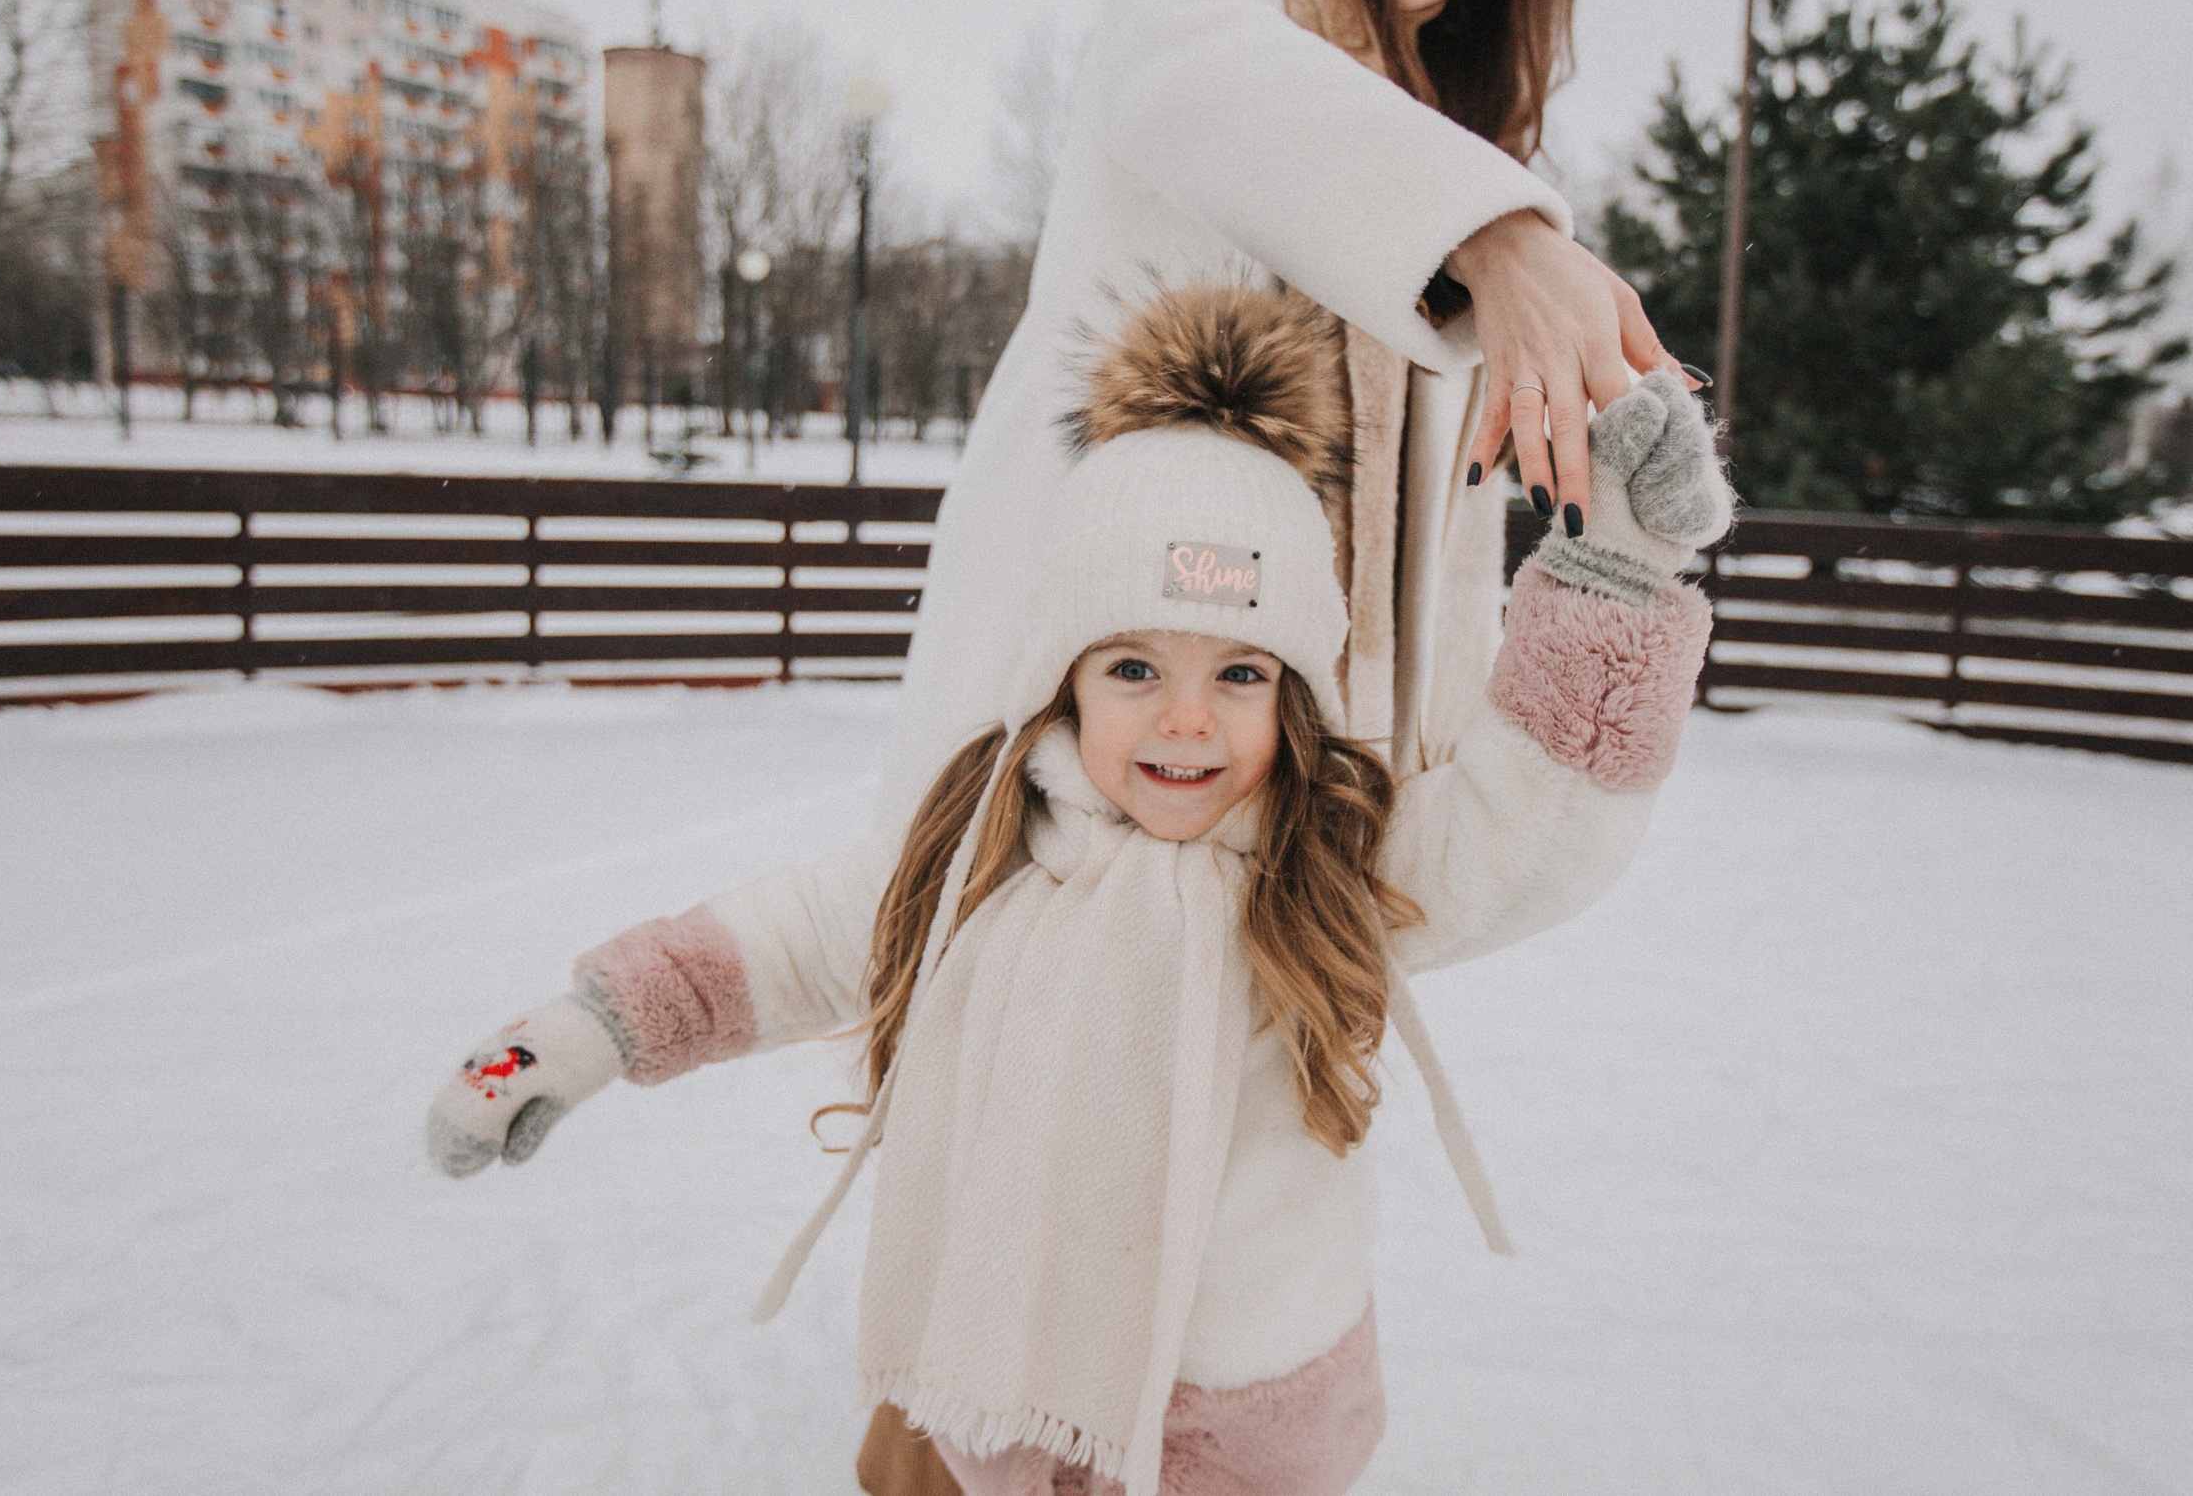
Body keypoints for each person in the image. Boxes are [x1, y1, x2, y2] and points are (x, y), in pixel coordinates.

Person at [425, 283, 1730, 1496]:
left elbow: (1535, 823)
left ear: (1298, 688)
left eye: (1241, 672)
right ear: (1063, 673)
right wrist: (586, 1028)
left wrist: (1623, 565)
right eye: (1132, 669)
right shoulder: (982, 850)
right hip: (1014, 1389)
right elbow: (780, 943)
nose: (1187, 721)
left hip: (1250, 1413)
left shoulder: (1327, 859)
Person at [883, 0, 1684, 823]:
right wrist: (1494, 237)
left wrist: (1425, 789)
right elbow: (1200, 75)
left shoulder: (1450, 148)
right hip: (1080, 739)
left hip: (1298, 776)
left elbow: (1441, 572)